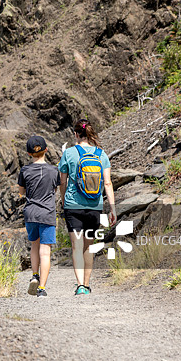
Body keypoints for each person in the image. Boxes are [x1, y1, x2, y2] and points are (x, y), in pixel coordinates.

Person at [59, 119, 116, 295]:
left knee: (76, 246)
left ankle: (80, 286)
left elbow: (62, 181)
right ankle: (87, 283)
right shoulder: (101, 154)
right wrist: (113, 209)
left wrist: (63, 201)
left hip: (73, 206)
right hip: (94, 207)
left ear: (76, 134)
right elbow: (107, 183)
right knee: (88, 246)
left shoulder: (69, 153)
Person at [18, 135, 59, 297]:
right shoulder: (53, 171)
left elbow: (21, 193)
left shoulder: (25, 171)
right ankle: (42, 288)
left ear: (28, 154)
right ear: (46, 150)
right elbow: (55, 189)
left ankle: (34, 275)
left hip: (31, 213)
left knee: (34, 245)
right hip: (47, 213)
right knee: (45, 252)